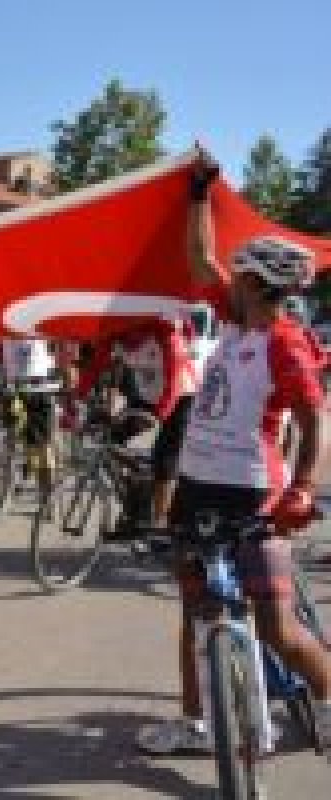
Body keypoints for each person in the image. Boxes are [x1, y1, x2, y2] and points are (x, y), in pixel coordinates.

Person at [137, 159, 331, 757]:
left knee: (276, 628)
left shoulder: (286, 344)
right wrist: (199, 193)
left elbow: (314, 421)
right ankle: (195, 722)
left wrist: (302, 489)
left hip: (254, 493)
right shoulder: (233, 320)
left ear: (256, 283)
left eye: (239, 273)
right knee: (196, 611)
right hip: (197, 485)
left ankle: (327, 699)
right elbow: (201, 259)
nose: (230, 278)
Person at [73, 315, 200, 529]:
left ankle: (159, 525)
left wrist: (159, 416)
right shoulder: (115, 334)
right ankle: (136, 502)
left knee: (164, 462)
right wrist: (76, 397)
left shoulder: (164, 332)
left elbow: (175, 380)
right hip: (147, 398)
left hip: (180, 398)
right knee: (111, 441)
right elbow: (95, 367)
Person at [0, 335, 62, 500]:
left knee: (40, 445)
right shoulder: (4, 333)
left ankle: (47, 490)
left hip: (38, 391)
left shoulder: (36, 331)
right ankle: (15, 468)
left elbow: (59, 350)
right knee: (17, 431)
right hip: (18, 391)